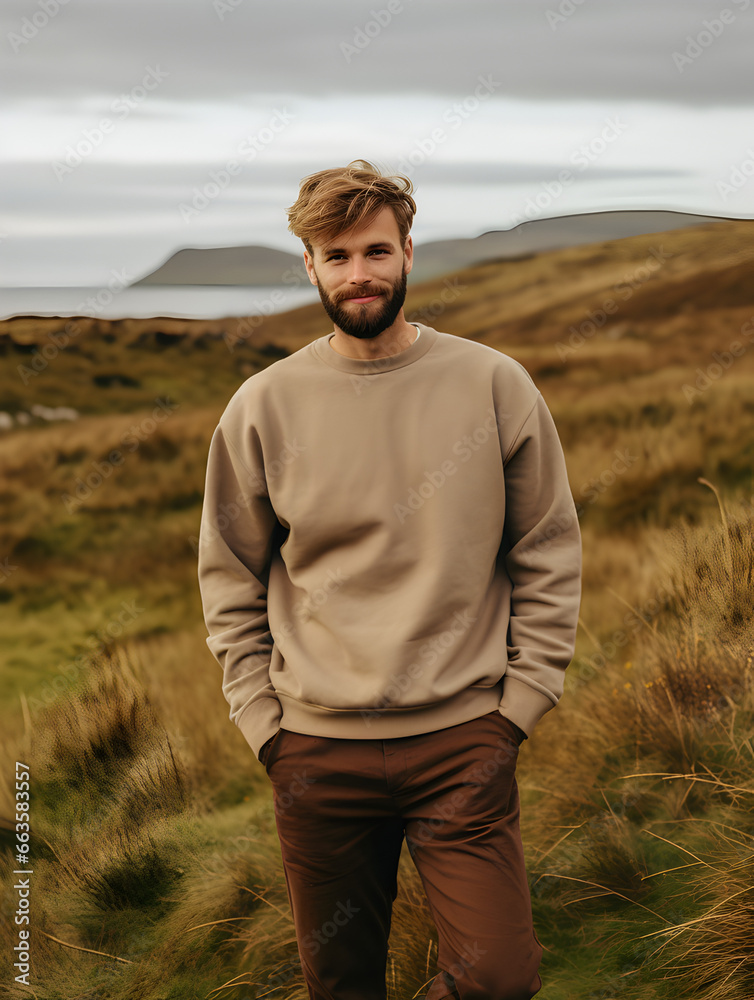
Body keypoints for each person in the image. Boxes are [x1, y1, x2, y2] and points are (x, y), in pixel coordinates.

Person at [197, 160, 582, 1000]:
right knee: (342, 981)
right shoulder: (263, 406)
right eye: (336, 257)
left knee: (498, 979)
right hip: (313, 753)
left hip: (463, 744)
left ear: (409, 251)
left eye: (376, 251)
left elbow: (548, 549)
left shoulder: (493, 384)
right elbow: (229, 574)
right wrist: (265, 723)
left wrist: (521, 704)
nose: (359, 274)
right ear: (309, 266)